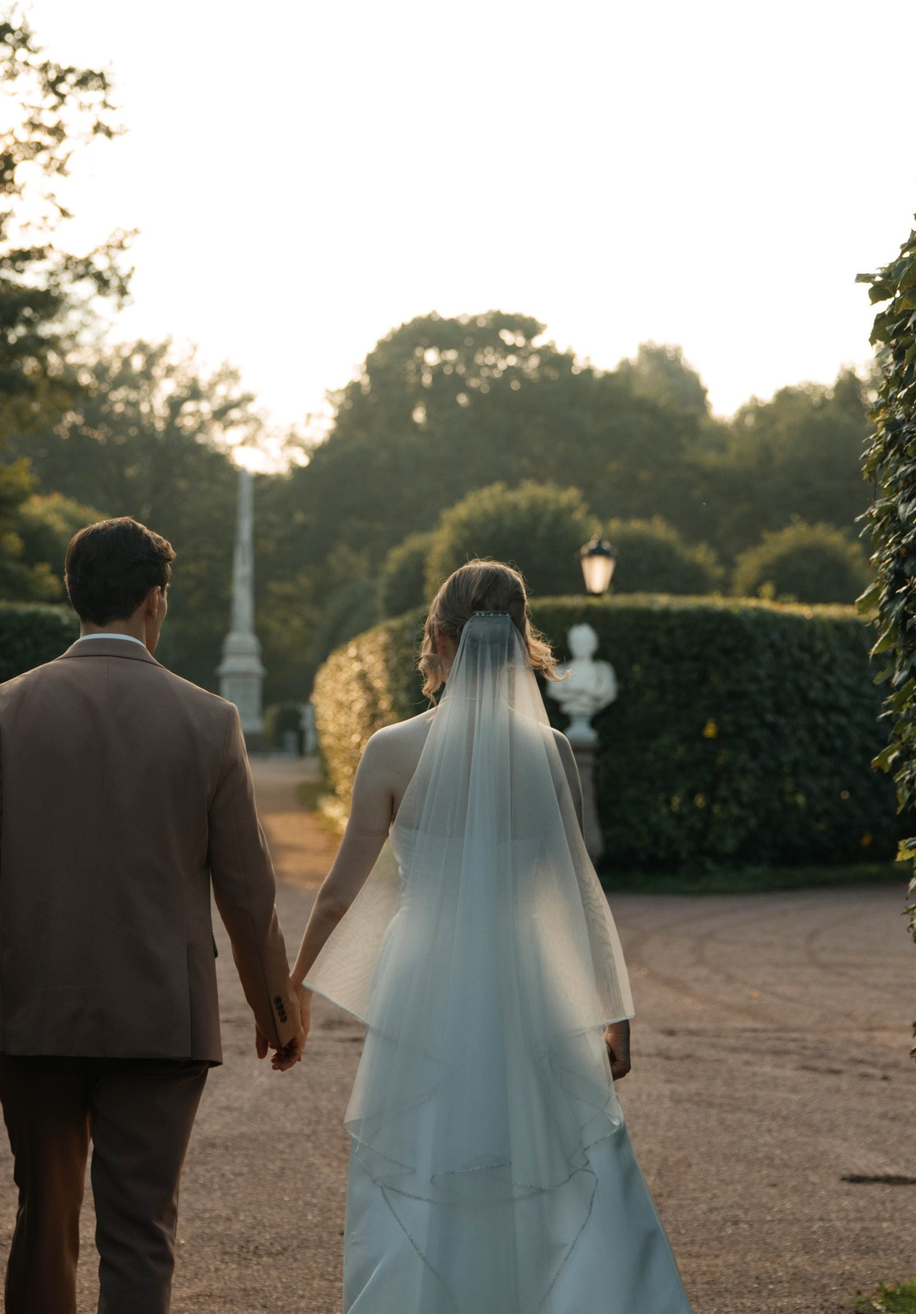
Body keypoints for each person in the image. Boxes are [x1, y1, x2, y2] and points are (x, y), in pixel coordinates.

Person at [0, 516, 306, 1314]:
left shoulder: (4, 710)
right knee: (140, 1233)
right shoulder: (210, 720)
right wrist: (276, 1006)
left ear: (74, 596)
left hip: (37, 1010)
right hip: (162, 1013)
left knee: (43, 1220)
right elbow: (247, 886)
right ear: (155, 599)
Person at [291, 560, 693, 1314]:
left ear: (437, 640)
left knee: (430, 1155)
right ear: (521, 643)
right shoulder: (548, 752)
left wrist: (294, 988)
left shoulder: (391, 749)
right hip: (530, 982)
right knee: (545, 1162)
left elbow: (342, 890)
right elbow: (578, 894)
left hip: (425, 981)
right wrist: (617, 1012)